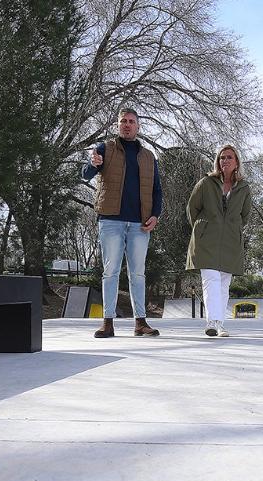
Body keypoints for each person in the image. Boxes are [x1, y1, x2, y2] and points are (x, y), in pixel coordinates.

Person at [82, 107, 163, 338]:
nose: (127, 125)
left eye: (131, 121)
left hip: (140, 224)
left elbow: (157, 191)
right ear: (118, 126)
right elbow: (86, 175)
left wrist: (155, 215)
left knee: (138, 273)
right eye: (123, 121)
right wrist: (92, 164)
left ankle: (140, 323)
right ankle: (107, 322)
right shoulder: (104, 149)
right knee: (111, 272)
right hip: (111, 221)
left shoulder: (148, 157)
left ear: (138, 127)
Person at [185, 144, 253, 337]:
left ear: (237, 161)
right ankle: (212, 322)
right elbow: (192, 209)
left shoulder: (244, 187)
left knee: (223, 283)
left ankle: (220, 323)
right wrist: (203, 228)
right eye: (222, 157)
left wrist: (232, 227)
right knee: (211, 280)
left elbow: (245, 215)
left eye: (229, 157)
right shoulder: (206, 183)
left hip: (231, 241)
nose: (225, 161)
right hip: (207, 240)